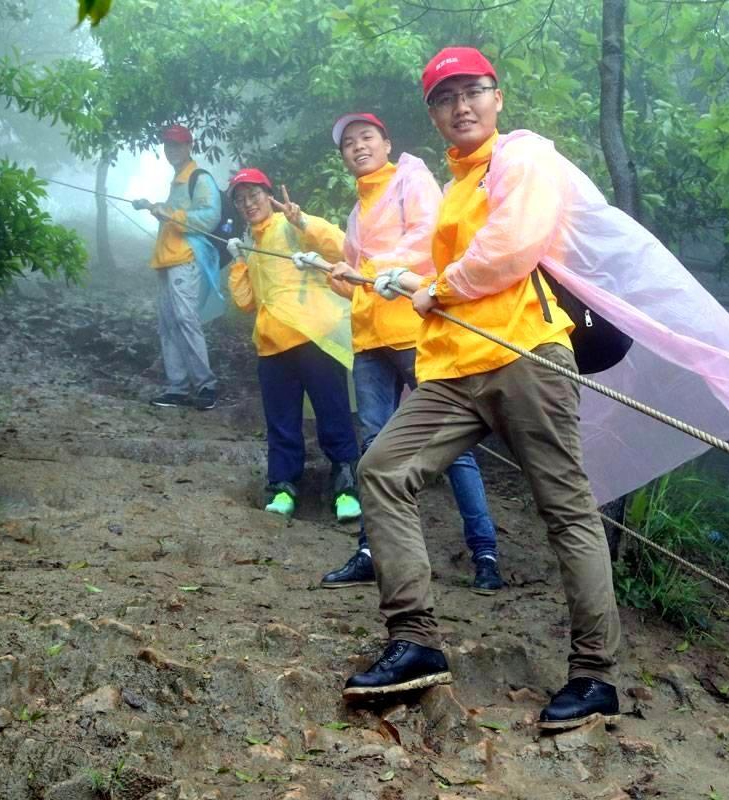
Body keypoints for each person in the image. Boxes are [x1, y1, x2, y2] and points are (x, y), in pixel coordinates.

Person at [343, 47, 729, 731]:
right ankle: (415, 643)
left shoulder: (523, 157)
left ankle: (595, 676)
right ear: (433, 115)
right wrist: (374, 272)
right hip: (451, 370)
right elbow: (431, 259)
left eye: (473, 90)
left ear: (497, 97)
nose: (461, 106)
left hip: (525, 353)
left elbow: (511, 244)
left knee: (566, 508)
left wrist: (435, 288)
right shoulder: (456, 189)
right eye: (446, 98)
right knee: (383, 471)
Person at [320, 112, 503, 595]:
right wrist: (340, 278)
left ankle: (484, 551)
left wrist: (372, 267)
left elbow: (427, 240)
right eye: (348, 144)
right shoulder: (357, 213)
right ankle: (370, 550)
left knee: (451, 443)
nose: (358, 147)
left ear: (386, 142)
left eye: (366, 138)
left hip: (416, 333)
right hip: (369, 341)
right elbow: (363, 279)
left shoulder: (412, 179)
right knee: (373, 445)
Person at [224, 169, 363, 523]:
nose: (248, 203)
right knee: (281, 421)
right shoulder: (250, 244)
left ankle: (346, 486)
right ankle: (283, 486)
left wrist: (301, 221)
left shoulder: (290, 225)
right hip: (272, 345)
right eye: (241, 199)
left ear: (268, 194)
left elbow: (341, 247)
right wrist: (240, 261)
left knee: (333, 412)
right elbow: (246, 302)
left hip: (313, 335)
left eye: (253, 194)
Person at [132, 124, 222, 410]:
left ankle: (206, 385)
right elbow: (173, 214)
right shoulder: (178, 181)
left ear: (188, 146)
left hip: (186, 258)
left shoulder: (199, 178)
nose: (172, 150)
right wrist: (151, 205)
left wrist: (170, 214)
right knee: (168, 323)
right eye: (168, 145)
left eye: (177, 145)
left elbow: (209, 216)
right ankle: (177, 387)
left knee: (185, 319)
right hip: (168, 259)